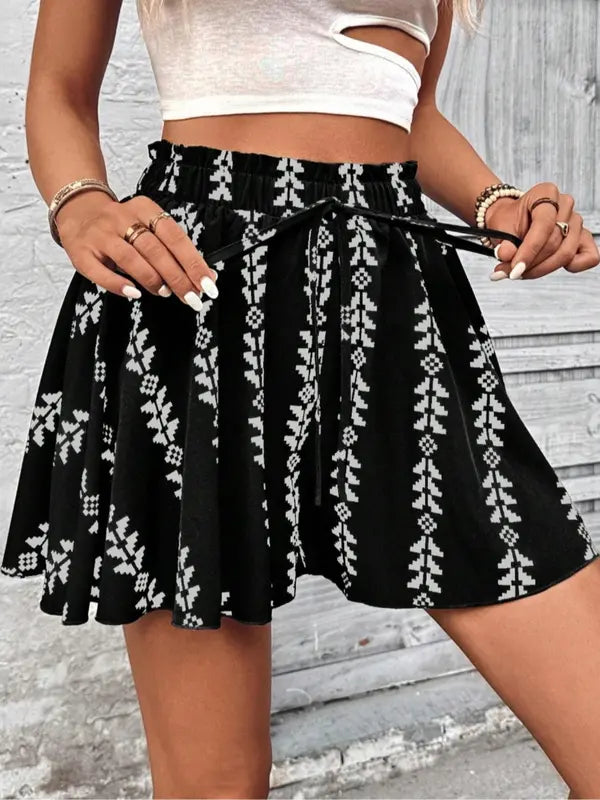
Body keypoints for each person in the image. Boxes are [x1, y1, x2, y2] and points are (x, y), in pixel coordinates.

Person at [2, 0, 600, 797]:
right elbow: (59, 85)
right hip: (199, 283)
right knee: (215, 786)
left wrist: (499, 204)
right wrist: (81, 204)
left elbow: (408, 112)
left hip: (392, 289)